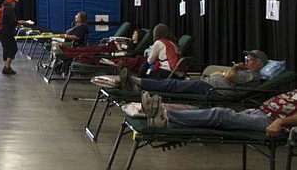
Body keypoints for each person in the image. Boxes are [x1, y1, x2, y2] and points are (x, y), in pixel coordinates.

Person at [140, 86, 297, 135]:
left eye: (251, 59)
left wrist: (280, 121)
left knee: (220, 114)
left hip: (273, 122)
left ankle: (165, 116)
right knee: (213, 114)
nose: (247, 61)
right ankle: (163, 118)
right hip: (262, 113)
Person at [121, 50, 268, 96]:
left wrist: (236, 66)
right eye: (246, 58)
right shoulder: (247, 72)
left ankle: (140, 83)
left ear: (259, 64)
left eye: (249, 59)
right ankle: (139, 86)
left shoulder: (253, 75)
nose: (246, 61)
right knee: (174, 85)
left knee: (174, 85)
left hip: (215, 91)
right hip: (210, 85)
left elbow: (229, 75)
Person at [0, 0, 31, 76]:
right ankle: (7, 67)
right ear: (11, 2)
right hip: (6, 31)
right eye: (14, 2)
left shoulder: (3, 9)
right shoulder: (8, 9)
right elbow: (12, 22)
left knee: (6, 48)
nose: (15, 4)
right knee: (13, 48)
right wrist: (22, 22)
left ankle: (5, 66)